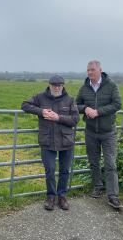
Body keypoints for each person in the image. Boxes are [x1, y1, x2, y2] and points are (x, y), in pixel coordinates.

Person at [21, 75, 80, 210]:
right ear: (49, 85)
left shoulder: (70, 99)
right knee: (50, 169)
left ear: (63, 86)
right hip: (47, 139)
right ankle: (51, 197)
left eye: (59, 85)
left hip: (66, 140)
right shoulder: (40, 97)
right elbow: (25, 105)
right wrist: (41, 112)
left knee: (64, 170)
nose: (57, 87)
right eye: (54, 85)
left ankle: (62, 196)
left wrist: (58, 117)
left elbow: (76, 119)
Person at [75, 60, 123, 209]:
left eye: (92, 70)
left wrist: (98, 112)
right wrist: (87, 108)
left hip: (108, 132)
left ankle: (113, 196)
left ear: (100, 70)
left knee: (110, 164)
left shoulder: (111, 85)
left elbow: (117, 104)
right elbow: (76, 105)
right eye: (88, 70)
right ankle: (97, 186)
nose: (90, 73)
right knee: (94, 162)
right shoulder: (84, 87)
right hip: (91, 132)